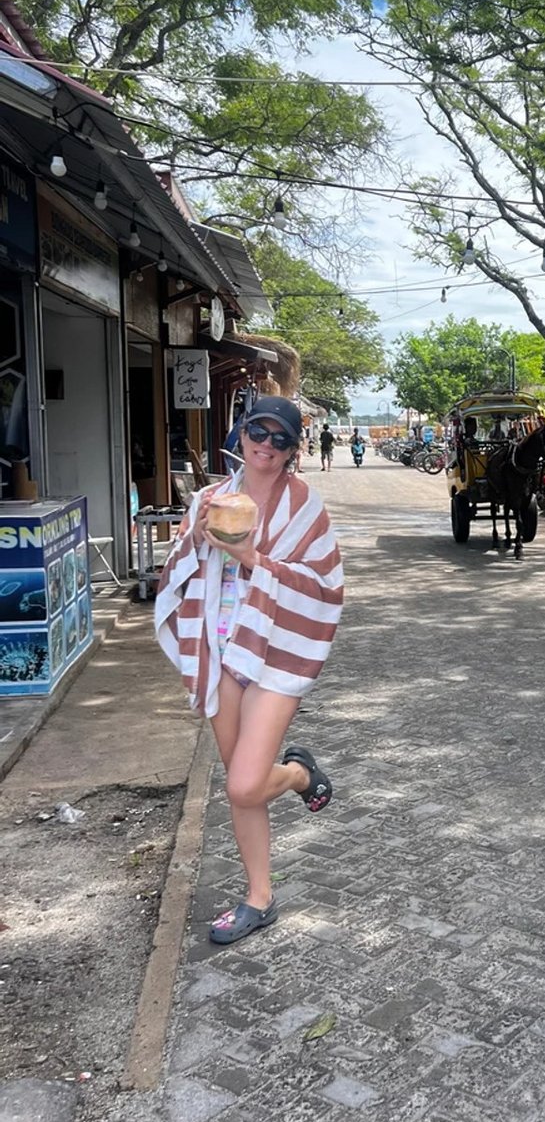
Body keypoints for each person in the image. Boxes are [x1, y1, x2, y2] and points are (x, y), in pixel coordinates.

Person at [154, 396, 344, 945]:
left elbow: (326, 587)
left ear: (293, 449)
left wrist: (253, 558)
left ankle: (298, 775)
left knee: (242, 785)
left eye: (281, 438)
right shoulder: (212, 498)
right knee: (242, 785)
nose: (266, 445)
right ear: (240, 434)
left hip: (274, 655)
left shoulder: (305, 506)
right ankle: (259, 897)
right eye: (257, 432)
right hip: (219, 650)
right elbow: (178, 568)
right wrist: (198, 540)